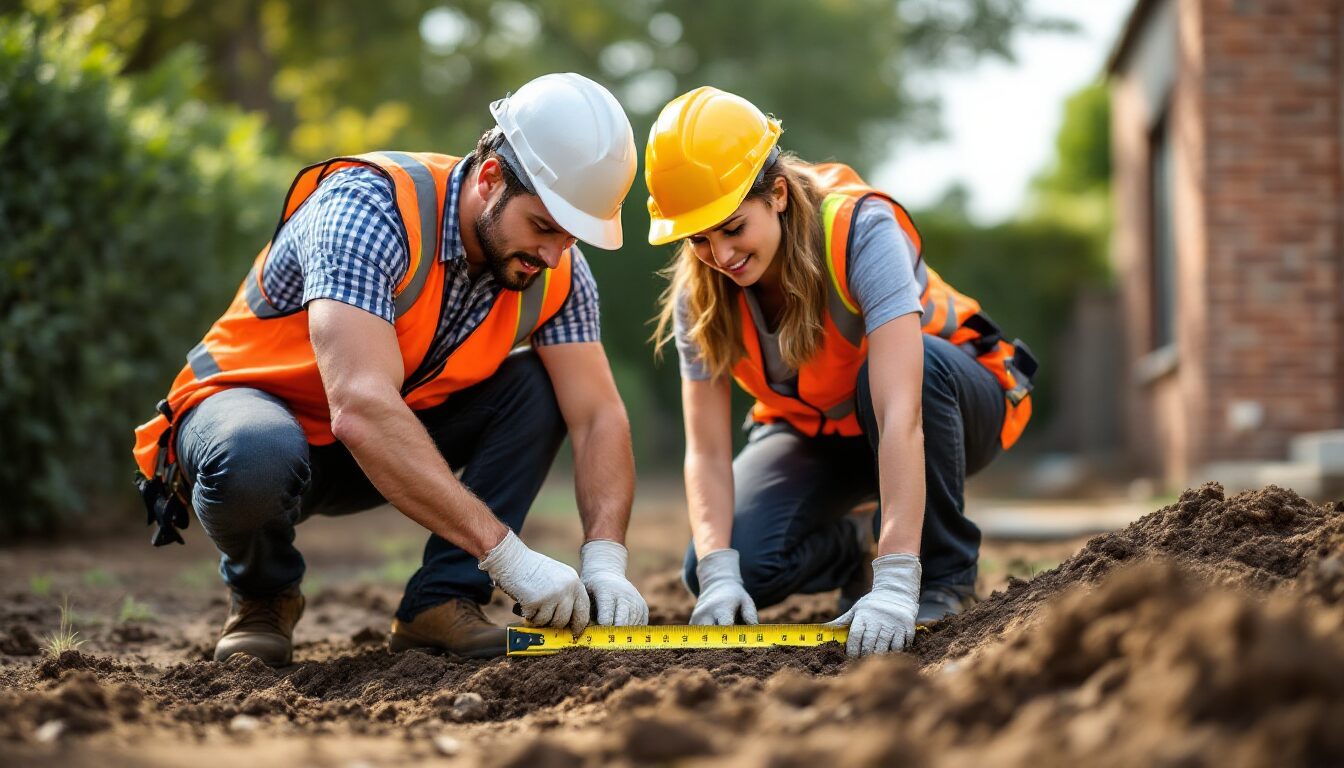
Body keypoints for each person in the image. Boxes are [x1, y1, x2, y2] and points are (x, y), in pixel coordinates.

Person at [132, 73, 649, 665]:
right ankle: (263, 598)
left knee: (540, 386)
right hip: (252, 418)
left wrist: (606, 558)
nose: (556, 255)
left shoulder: (556, 271)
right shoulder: (369, 208)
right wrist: (512, 557)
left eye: (573, 237)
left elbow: (598, 415)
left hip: (372, 446)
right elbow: (359, 404)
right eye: (544, 226)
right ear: (490, 178)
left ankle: (442, 601)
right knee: (254, 454)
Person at [646, 87, 1036, 657]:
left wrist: (899, 577)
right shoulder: (699, 293)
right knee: (716, 566)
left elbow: (901, 410)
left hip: (948, 404)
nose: (720, 255)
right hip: (825, 434)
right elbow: (704, 450)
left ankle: (943, 574)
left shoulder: (863, 231)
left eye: (732, 228)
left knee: (914, 378)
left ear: (776, 193)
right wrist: (720, 571)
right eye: (699, 239)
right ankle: (858, 543)